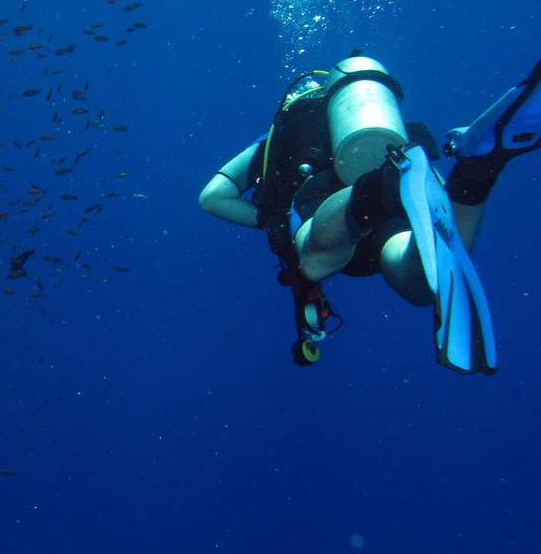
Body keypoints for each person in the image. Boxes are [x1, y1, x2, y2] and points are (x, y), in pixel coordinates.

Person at [199, 52, 541, 373]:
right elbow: (433, 204)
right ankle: (476, 172)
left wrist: (271, 221)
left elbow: (212, 197)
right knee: (421, 282)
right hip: (396, 175)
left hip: (325, 201)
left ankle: (374, 191)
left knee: (315, 262)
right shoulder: (383, 123)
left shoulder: (281, 131)